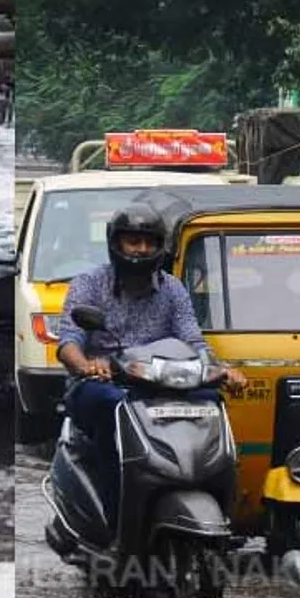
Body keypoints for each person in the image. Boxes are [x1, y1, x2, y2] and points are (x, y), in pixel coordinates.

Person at [55, 202, 246, 519]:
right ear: (117, 244)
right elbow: (68, 342)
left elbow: (193, 339)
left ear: (161, 247)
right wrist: (86, 365)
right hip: (102, 385)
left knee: (211, 401)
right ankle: (115, 513)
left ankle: (220, 505)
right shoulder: (89, 283)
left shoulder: (172, 288)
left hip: (160, 384)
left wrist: (219, 369)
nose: (142, 250)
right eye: (134, 241)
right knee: (111, 407)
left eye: (150, 243)